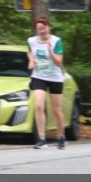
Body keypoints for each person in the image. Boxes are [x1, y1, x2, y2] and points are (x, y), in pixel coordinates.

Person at [27, 17, 67, 150]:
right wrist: (31, 60)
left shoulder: (56, 41)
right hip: (39, 76)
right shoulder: (32, 41)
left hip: (55, 77)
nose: (42, 31)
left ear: (48, 27)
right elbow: (28, 51)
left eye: (44, 28)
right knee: (39, 105)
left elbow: (59, 62)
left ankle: (61, 136)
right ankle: (41, 139)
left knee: (56, 110)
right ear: (36, 30)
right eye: (39, 29)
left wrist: (50, 51)